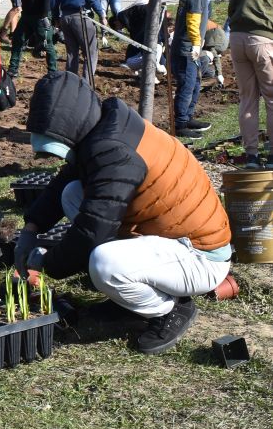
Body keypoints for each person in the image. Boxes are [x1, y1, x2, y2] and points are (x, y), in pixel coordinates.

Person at [15, 71, 231, 355]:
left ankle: (168, 309)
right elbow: (64, 183)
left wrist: (47, 264)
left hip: (201, 256)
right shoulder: (103, 129)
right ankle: (129, 294)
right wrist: (31, 228)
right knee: (72, 193)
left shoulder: (114, 153)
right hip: (170, 235)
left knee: (104, 263)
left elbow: (92, 231)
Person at [171, 0, 228, 138]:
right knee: (187, 85)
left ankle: (187, 117)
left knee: (195, 83)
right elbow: (193, 18)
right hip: (187, 47)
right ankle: (180, 124)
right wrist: (196, 42)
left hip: (192, 47)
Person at [226, 0, 273, 168]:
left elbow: (232, 4)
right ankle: (272, 156)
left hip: (237, 38)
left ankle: (252, 156)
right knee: (271, 98)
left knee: (247, 98)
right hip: (262, 40)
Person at [52, 0, 105, 84]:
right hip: (81, 17)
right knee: (90, 52)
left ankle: (71, 84)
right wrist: (101, 14)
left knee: (71, 53)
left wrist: (56, 18)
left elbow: (53, 1)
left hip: (65, 18)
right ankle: (87, 85)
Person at [6, 0, 57, 79]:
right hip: (27, 15)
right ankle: (13, 69)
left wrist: (45, 15)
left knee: (46, 43)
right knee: (18, 38)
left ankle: (53, 72)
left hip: (41, 15)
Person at [107, 2, 166, 76]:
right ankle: (160, 63)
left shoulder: (122, 16)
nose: (121, 28)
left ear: (115, 22)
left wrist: (135, 38)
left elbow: (134, 32)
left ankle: (158, 64)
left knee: (154, 41)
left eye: (118, 28)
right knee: (151, 41)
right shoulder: (126, 16)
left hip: (152, 14)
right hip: (149, 15)